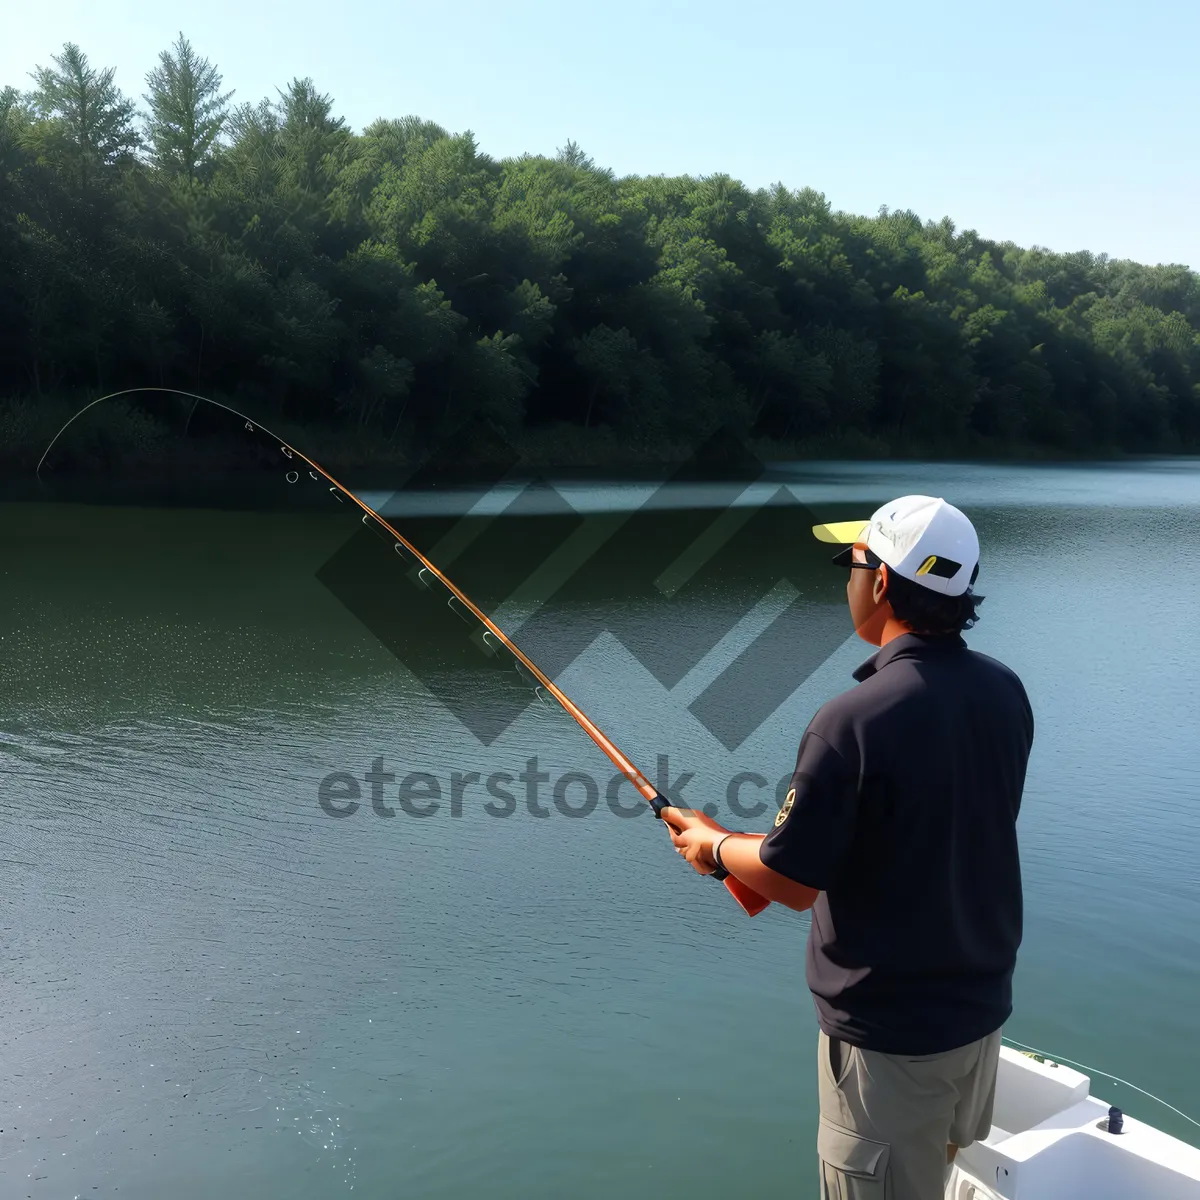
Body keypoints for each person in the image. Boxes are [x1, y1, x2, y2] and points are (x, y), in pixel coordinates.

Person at [663, 494, 1034, 1200]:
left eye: (853, 564)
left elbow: (791, 878)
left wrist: (713, 847)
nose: (847, 582)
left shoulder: (853, 720)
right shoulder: (1003, 691)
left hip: (891, 1045)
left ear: (884, 583)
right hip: (976, 1021)